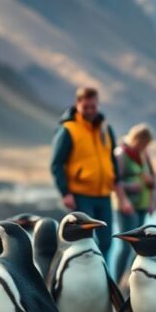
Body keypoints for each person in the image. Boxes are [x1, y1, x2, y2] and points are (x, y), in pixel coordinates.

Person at [50, 86, 131, 260]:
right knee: (84, 241)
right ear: (77, 104)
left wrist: (120, 192)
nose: (90, 110)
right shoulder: (68, 130)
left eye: (93, 106)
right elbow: (56, 164)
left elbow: (112, 161)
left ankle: (103, 275)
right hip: (81, 195)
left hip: (104, 195)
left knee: (106, 241)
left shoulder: (106, 129)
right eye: (86, 107)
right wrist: (65, 192)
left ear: (97, 104)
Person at [109, 123, 156, 274]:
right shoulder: (121, 154)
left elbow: (151, 179)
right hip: (126, 206)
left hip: (141, 204)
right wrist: (130, 187)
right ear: (136, 139)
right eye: (142, 143)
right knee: (127, 245)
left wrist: (150, 201)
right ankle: (118, 280)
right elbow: (114, 181)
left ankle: (129, 279)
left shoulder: (144, 154)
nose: (144, 146)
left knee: (139, 245)